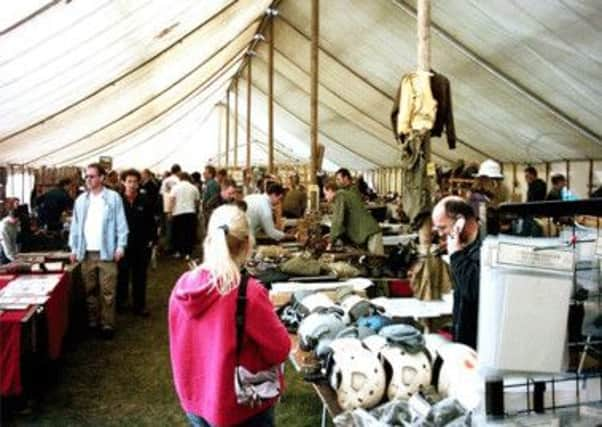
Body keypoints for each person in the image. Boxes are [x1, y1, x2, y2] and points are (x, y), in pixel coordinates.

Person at [169, 205, 290, 427]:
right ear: (246, 244)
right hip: (241, 405)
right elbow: (280, 349)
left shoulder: (183, 286)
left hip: (195, 400)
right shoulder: (249, 292)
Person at [69, 163, 129, 339]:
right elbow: (75, 226)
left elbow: (121, 223)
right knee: (89, 290)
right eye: (86, 176)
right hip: (86, 252)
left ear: (102, 178)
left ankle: (107, 324)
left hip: (107, 252)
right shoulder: (80, 200)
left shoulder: (113, 198)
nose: (88, 179)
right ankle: (92, 322)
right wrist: (73, 248)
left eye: (92, 176)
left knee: (108, 291)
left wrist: (120, 246)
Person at [432, 196, 481, 349]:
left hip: (478, 343)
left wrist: (456, 255)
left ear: (460, 222)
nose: (440, 234)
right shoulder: (465, 245)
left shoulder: (486, 249)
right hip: (464, 338)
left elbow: (473, 289)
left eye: (442, 227)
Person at [116, 169, 157, 316]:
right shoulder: (117, 201)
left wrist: (153, 241)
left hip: (141, 245)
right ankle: (121, 302)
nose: (132, 185)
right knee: (122, 275)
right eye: (129, 181)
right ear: (123, 182)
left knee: (140, 276)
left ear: (139, 183)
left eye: (135, 182)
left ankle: (139, 305)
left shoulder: (145, 201)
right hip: (123, 245)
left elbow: (152, 222)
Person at [323, 180, 384, 255]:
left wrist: (330, 243)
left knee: (377, 261)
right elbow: (341, 223)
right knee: (372, 261)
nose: (325, 197)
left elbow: (338, 220)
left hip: (371, 234)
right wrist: (332, 235)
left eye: (325, 194)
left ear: (330, 190)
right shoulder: (344, 194)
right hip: (368, 233)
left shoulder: (340, 195)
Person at [170, 172, 200, 260]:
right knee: (189, 233)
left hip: (178, 212)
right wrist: (196, 210)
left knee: (178, 233)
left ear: (180, 178)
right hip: (190, 212)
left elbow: (172, 200)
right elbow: (197, 202)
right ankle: (188, 253)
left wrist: (170, 212)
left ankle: (178, 252)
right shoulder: (194, 188)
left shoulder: (175, 187)